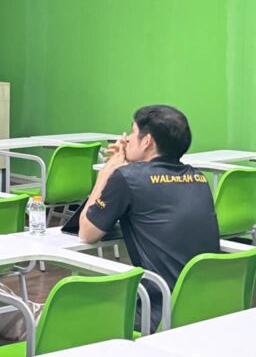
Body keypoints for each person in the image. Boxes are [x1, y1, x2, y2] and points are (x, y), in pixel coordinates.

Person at [79, 105, 219, 332]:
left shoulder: (126, 178)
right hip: (206, 308)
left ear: (147, 142)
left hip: (157, 311)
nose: (126, 141)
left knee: (76, 312)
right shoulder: (198, 178)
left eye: (132, 133)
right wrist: (130, 166)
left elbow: (87, 233)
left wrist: (107, 172)